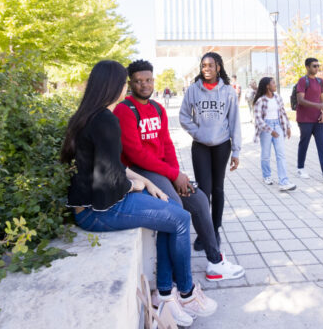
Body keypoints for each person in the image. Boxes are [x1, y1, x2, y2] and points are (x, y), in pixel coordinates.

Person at [61, 60, 217, 326]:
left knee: (172, 213)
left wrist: (147, 181)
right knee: (179, 219)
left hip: (92, 205)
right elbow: (107, 183)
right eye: (125, 82)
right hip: (97, 211)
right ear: (115, 86)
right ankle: (186, 293)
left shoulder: (92, 116)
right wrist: (138, 185)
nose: (127, 87)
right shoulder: (107, 120)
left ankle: (165, 296)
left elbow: (115, 165)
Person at [113, 60, 244, 281]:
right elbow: (136, 154)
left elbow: (166, 145)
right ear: (130, 83)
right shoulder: (125, 110)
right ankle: (174, 276)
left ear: (153, 80)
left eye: (148, 80)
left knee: (200, 200)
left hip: (161, 170)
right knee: (177, 208)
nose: (144, 85)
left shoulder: (157, 108)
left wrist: (176, 174)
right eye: (138, 81)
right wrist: (174, 176)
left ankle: (215, 262)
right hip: (139, 172)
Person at [179, 52, 241, 248]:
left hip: (222, 146)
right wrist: (197, 133)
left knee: (217, 189)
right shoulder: (193, 90)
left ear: (218, 68)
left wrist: (236, 151)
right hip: (200, 147)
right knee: (203, 192)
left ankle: (214, 230)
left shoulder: (228, 92)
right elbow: (183, 116)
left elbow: (234, 122)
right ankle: (202, 233)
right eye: (203, 65)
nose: (206, 69)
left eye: (210, 65)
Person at [296, 57, 323, 183]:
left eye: (318, 66)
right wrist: (318, 106)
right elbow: (300, 100)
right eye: (314, 66)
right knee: (304, 143)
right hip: (304, 119)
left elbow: (322, 99)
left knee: (322, 145)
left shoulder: (320, 81)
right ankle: (300, 168)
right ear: (307, 67)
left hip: (318, 120)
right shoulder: (303, 81)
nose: (317, 68)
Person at [253, 77, 295, 191]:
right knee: (266, 155)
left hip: (278, 125)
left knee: (281, 154)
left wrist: (288, 127)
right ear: (267, 86)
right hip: (266, 128)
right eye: (273, 83)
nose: (275, 85)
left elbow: (283, 113)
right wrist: (270, 131)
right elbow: (258, 119)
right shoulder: (260, 100)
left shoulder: (277, 98)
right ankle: (267, 176)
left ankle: (284, 181)